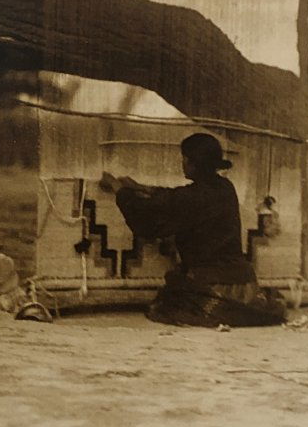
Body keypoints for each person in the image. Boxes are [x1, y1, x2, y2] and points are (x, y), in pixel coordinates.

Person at [98, 133, 286, 328]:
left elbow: (150, 220)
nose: (183, 162)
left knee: (167, 304)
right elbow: (173, 196)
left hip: (215, 287)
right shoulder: (225, 187)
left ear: (193, 163)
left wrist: (118, 188)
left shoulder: (192, 197)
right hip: (244, 285)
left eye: (185, 158)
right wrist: (141, 187)